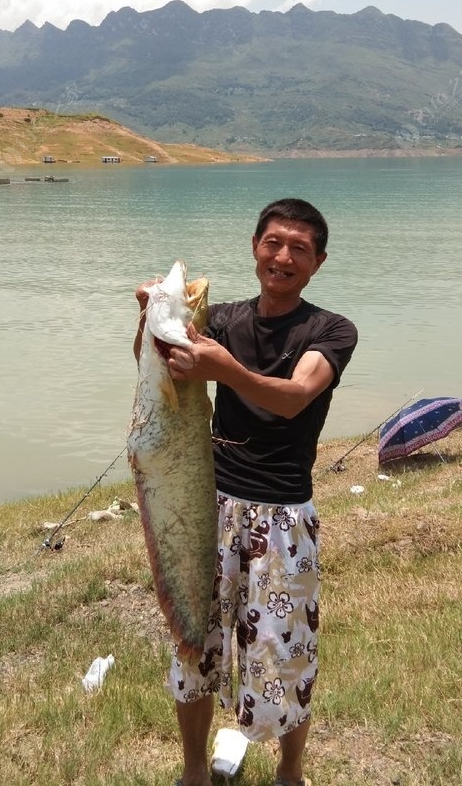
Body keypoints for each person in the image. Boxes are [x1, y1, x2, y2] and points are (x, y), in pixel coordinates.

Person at [134, 198, 357, 786]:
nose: (282, 257)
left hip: (283, 518)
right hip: (208, 504)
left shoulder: (331, 330)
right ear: (255, 247)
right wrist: (151, 321)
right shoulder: (225, 318)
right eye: (272, 243)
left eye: (299, 249)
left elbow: (294, 397)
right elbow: (160, 369)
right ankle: (192, 772)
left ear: (318, 262)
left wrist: (223, 370)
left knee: (284, 655)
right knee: (193, 642)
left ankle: (290, 772)